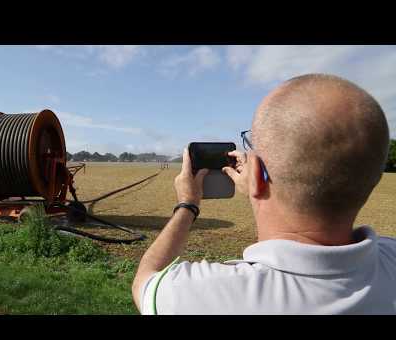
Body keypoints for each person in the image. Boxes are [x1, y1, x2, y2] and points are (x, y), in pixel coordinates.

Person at [132, 73, 396, 315]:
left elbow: (145, 281)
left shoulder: (205, 294)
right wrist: (263, 186)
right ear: (372, 179)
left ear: (256, 175)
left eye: (250, 145)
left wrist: (187, 205)